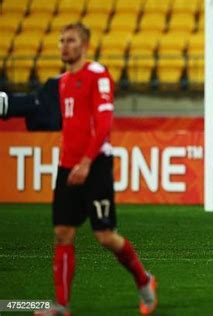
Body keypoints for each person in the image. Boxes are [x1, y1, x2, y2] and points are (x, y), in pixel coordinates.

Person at [35, 23, 157, 315]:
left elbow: (104, 123)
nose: (64, 46)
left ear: (85, 45)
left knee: (104, 236)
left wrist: (87, 162)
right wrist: (71, 162)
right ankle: (61, 306)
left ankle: (144, 279)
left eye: (71, 40)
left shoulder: (98, 75)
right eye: (61, 41)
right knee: (63, 233)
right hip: (68, 167)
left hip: (95, 165)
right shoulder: (63, 81)